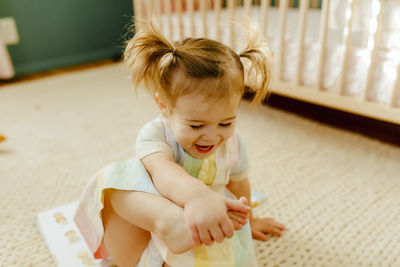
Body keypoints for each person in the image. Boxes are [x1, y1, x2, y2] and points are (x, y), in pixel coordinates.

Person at [74, 20, 285, 267]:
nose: (211, 136)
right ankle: (168, 220)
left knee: (111, 178)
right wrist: (196, 196)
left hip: (204, 242)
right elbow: (163, 171)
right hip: (155, 245)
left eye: (226, 123)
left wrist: (250, 219)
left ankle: (174, 223)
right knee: (119, 178)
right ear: (164, 106)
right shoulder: (155, 135)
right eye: (196, 125)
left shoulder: (235, 144)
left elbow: (239, 185)